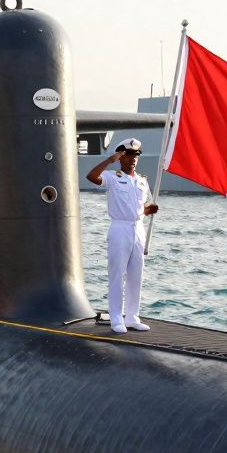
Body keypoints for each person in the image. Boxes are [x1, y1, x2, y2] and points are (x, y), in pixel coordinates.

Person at [86, 138, 159, 334]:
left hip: (138, 229)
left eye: (136, 156)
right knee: (117, 275)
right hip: (119, 228)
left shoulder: (142, 181)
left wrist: (148, 210)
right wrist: (110, 160)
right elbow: (91, 177)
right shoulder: (112, 177)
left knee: (136, 275)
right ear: (121, 157)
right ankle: (116, 318)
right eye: (129, 155)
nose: (133, 159)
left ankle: (132, 317)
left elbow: (140, 208)